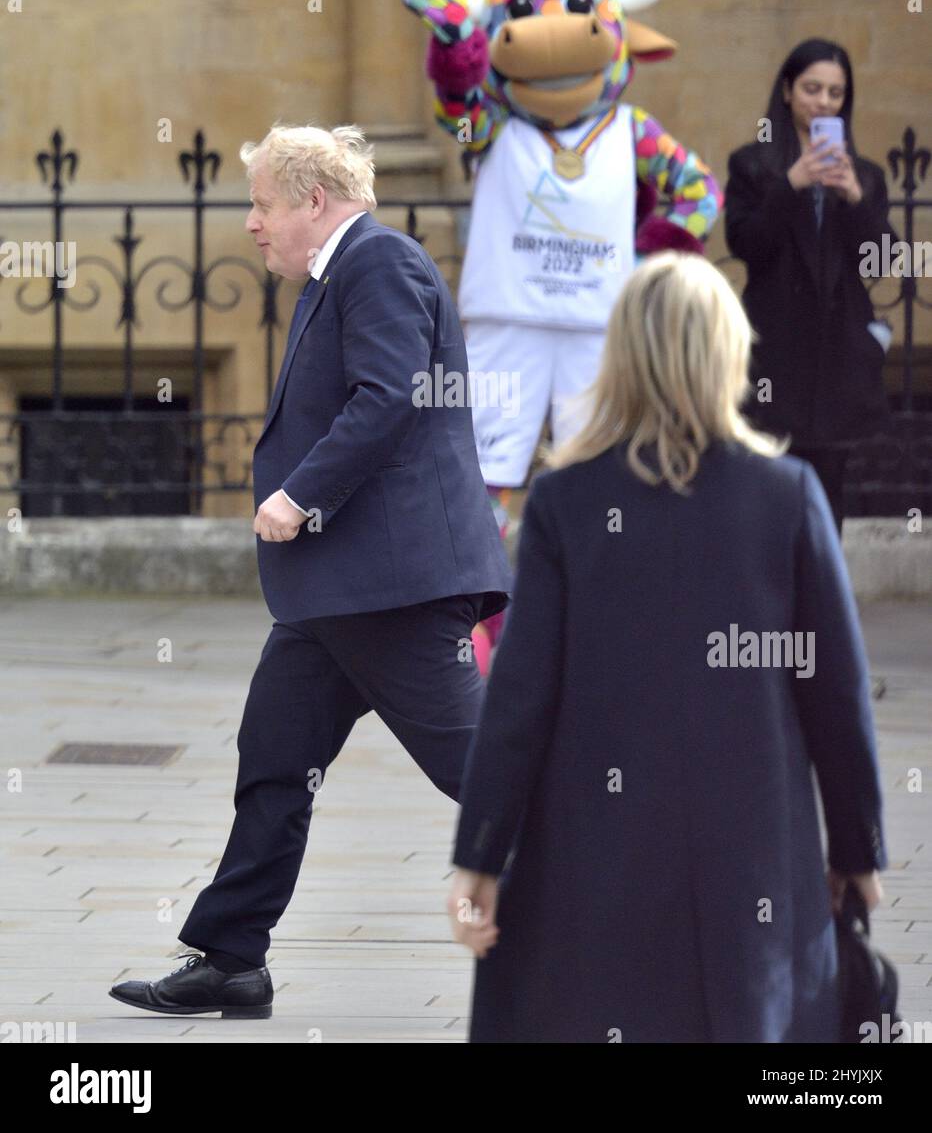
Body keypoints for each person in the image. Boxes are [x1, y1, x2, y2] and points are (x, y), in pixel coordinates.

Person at [109, 124, 511, 1019]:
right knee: (276, 759)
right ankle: (230, 959)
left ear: (312, 202)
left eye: (261, 203)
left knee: (488, 766)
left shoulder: (378, 263)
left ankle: (621, 900)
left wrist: (298, 496)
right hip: (339, 594)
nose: (252, 223)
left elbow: (390, 397)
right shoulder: (338, 275)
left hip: (394, 586)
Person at [446, 252, 886, 1044]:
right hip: (751, 849)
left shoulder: (565, 500)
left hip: (595, 848)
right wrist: (857, 849)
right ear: (728, 354)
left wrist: (480, 854)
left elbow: (520, 696)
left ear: (623, 358)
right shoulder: (786, 496)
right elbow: (836, 693)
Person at [724, 38, 894, 530]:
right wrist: (790, 185)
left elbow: (880, 261)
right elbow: (746, 244)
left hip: (837, 354)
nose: (823, 102)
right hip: (777, 351)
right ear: (787, 90)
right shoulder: (752, 165)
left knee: (828, 494)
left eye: (835, 93)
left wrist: (856, 197)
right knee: (767, 486)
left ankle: (823, 599)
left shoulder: (865, 175)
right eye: (812, 89)